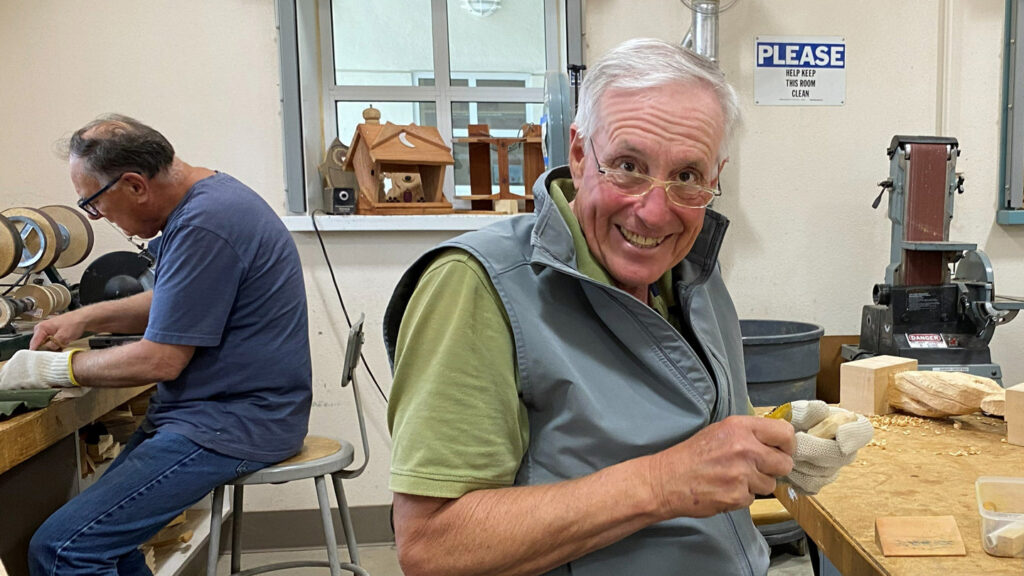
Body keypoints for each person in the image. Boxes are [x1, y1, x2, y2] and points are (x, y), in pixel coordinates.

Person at [382, 38, 871, 576]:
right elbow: (432, 547)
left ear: (715, 176)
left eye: (687, 177)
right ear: (577, 152)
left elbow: (675, 427)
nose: (655, 212)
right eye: (628, 166)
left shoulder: (693, 274)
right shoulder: (478, 287)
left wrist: (773, 438)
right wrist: (665, 482)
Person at [0, 114, 312, 576]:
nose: (95, 216)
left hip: (237, 421)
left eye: (91, 203)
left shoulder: (207, 222)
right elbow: (178, 296)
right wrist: (82, 316)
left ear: (134, 185)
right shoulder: (210, 200)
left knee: (63, 550)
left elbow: (160, 360)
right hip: (214, 412)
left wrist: (44, 371)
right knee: (107, 540)